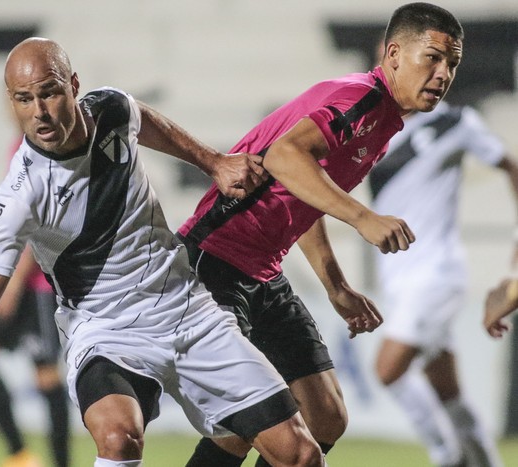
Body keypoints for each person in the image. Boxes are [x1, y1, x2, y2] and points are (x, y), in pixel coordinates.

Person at [0, 37, 328, 467]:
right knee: (118, 438)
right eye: (24, 100)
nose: (39, 112)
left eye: (49, 93)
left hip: (189, 310)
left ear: (73, 86)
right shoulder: (18, 195)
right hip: (106, 330)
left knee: (301, 454)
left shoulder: (111, 109)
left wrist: (213, 162)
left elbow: (145, 120)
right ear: (12, 102)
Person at [178, 3, 464, 466]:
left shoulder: (383, 123)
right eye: (431, 57)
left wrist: (336, 286)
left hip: (263, 273)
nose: (443, 72)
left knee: (326, 416)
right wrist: (363, 217)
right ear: (393, 54)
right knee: (259, 426)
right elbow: (284, 158)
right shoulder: (361, 98)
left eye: (452, 63)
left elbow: (304, 196)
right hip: (215, 262)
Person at [370, 97, 518, 465]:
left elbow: (511, 166)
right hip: (400, 280)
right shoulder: (375, 130)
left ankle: (448, 456)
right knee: (448, 393)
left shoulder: (454, 122)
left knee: (388, 371)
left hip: (435, 274)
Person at [0, 244, 70, 467]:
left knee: (47, 378)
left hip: (37, 290)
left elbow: (35, 235)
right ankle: (19, 455)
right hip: (10, 284)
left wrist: (13, 287)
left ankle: (62, 463)